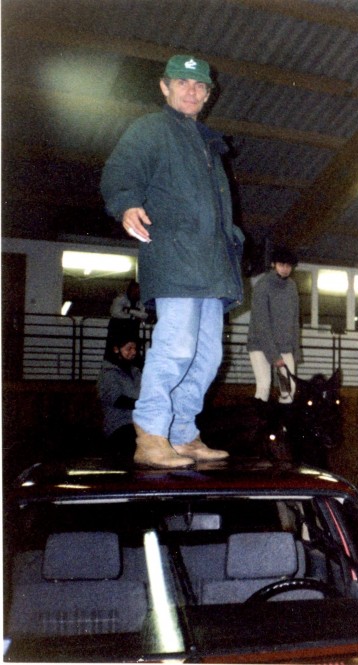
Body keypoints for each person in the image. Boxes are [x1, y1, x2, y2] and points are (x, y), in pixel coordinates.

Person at [100, 54, 243, 468]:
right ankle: (150, 433)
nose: (192, 90)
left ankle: (183, 432)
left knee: (209, 355)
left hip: (214, 266)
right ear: (165, 87)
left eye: (200, 86)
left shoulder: (208, 144)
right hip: (176, 259)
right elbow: (120, 171)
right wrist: (126, 204)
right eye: (183, 82)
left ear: (208, 95)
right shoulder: (150, 129)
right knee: (176, 346)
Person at [248, 246, 302, 405]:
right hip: (259, 345)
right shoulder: (262, 286)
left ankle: (283, 427)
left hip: (284, 347)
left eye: (288, 266)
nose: (285, 269)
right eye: (281, 265)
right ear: (273, 264)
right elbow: (261, 324)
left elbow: (295, 321)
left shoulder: (292, 286)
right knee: (264, 386)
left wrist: (295, 351)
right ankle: (257, 426)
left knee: (289, 389)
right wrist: (274, 356)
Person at [98, 332, 144, 463]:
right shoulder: (108, 374)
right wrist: (144, 405)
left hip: (139, 423)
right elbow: (118, 400)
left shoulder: (136, 372)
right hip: (119, 425)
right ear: (116, 349)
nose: (133, 352)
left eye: (135, 348)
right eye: (129, 348)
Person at [105, 280, 150, 362]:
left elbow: (144, 315)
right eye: (135, 289)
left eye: (139, 290)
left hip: (132, 330)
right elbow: (115, 313)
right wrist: (134, 316)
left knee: (133, 351)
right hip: (117, 330)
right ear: (130, 289)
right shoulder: (120, 299)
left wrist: (128, 311)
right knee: (114, 352)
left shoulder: (140, 302)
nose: (137, 291)